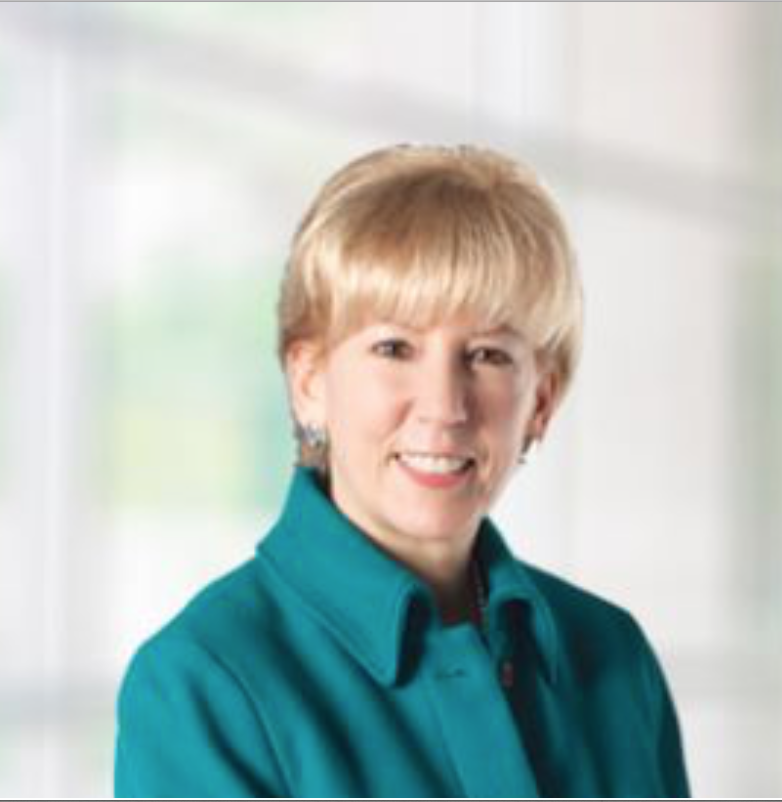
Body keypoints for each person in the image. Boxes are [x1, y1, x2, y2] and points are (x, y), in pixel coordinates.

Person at [114, 144, 690, 798]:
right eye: (394, 348)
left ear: (541, 403)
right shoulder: (203, 685)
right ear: (309, 382)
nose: (444, 406)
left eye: (487, 355)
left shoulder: (613, 657)